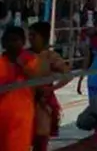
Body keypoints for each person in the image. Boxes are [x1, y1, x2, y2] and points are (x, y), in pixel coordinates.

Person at [29, 22, 72, 151]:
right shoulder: (23, 55)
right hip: (24, 102)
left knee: (40, 141)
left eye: (33, 35)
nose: (30, 38)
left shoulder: (50, 56)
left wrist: (51, 89)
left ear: (43, 37)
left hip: (42, 104)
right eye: (29, 35)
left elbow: (68, 75)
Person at [0, 26, 40, 151]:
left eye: (15, 40)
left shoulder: (31, 60)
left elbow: (37, 80)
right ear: (3, 42)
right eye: (9, 40)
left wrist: (21, 64)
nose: (11, 44)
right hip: (2, 117)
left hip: (22, 117)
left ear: (23, 42)